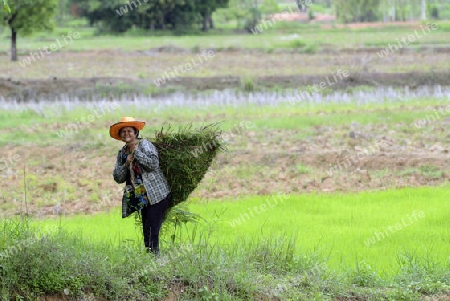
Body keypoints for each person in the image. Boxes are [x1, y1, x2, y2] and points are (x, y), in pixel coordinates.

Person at [110, 117, 171, 255]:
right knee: (147, 229)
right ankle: (151, 257)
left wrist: (136, 153)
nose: (126, 134)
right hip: (141, 197)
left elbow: (153, 164)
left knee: (152, 230)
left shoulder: (145, 145)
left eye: (129, 131)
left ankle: (154, 258)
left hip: (156, 194)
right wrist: (126, 163)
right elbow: (117, 177)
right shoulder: (122, 153)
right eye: (123, 132)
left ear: (135, 132)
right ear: (120, 135)